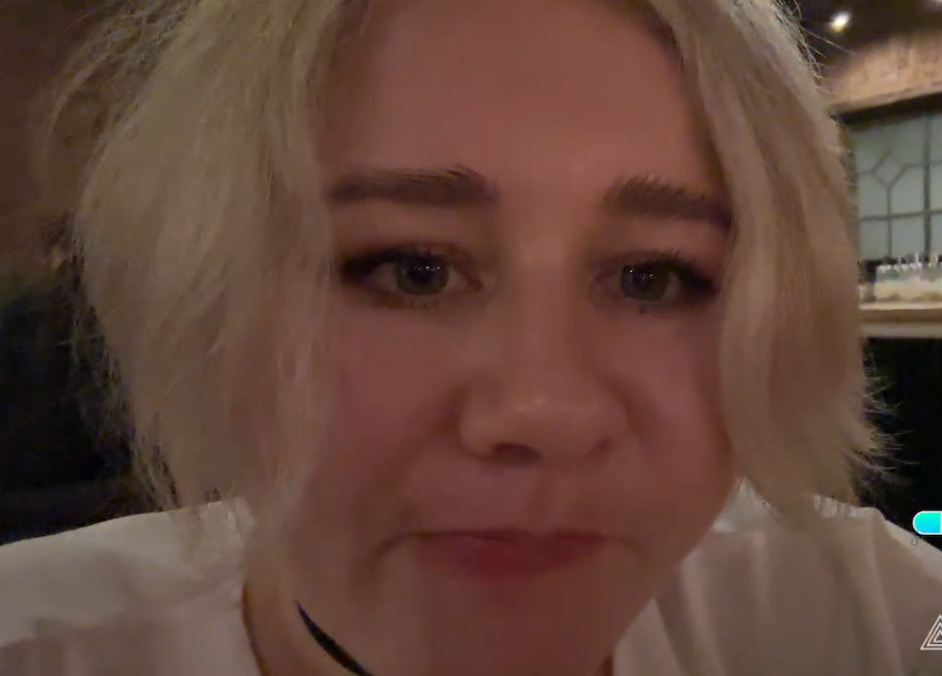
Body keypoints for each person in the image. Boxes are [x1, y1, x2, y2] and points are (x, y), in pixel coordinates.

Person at [0, 0, 940, 674]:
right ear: (209, 307)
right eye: (412, 269)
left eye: (653, 278)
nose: (543, 411)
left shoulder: (859, 608)